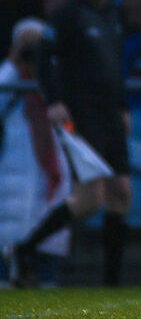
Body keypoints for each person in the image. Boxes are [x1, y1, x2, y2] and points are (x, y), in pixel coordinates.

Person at [12, 0, 130, 287]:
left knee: (122, 191)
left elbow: (115, 67)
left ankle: (113, 284)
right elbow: (45, 59)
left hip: (110, 114)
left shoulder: (113, 15)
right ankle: (27, 249)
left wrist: (122, 106)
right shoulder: (67, 14)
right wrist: (54, 101)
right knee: (90, 198)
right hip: (81, 113)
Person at [0, 19, 71, 287]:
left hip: (50, 170)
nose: (31, 51)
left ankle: (46, 281)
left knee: (48, 241)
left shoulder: (57, 75)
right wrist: (13, 63)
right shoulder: (8, 77)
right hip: (11, 170)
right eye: (25, 44)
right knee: (7, 235)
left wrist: (45, 65)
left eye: (37, 45)